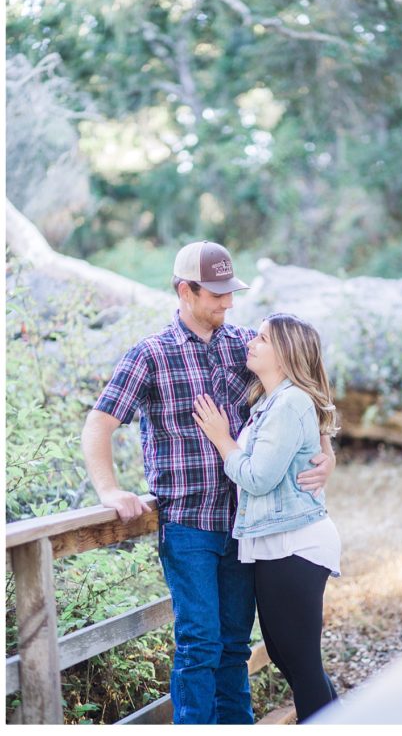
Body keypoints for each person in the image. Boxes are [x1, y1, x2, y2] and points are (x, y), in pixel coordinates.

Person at [81, 241, 336, 724]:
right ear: (184, 290)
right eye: (216, 294)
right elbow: (99, 425)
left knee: (234, 645)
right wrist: (110, 491)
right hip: (188, 526)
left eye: (230, 292)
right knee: (199, 642)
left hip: (245, 526)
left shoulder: (248, 346)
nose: (227, 303)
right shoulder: (150, 356)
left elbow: (304, 391)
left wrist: (327, 454)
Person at [193, 312, 341, 723]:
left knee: (301, 662)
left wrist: (222, 439)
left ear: (285, 354)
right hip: (276, 541)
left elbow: (258, 478)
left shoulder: (289, 402)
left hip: (296, 542)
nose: (251, 343)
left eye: (262, 339)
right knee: (287, 657)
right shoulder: (272, 400)